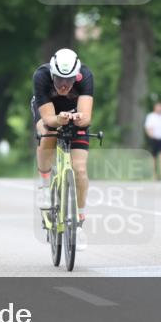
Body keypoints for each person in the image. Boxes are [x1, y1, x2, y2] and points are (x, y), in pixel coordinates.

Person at [31, 48, 94, 231]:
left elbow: (87, 116)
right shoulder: (41, 76)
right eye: (59, 79)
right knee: (48, 132)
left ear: (77, 76)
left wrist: (79, 118)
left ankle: (79, 219)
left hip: (73, 111)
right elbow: (48, 118)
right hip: (49, 111)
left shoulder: (85, 75)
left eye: (69, 80)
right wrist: (58, 120)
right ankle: (44, 185)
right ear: (52, 74)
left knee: (80, 170)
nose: (64, 85)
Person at [144, 101, 161, 180]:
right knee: (153, 157)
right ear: (155, 108)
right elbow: (147, 128)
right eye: (159, 107)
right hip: (154, 138)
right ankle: (153, 175)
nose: (160, 108)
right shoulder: (151, 116)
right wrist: (150, 135)